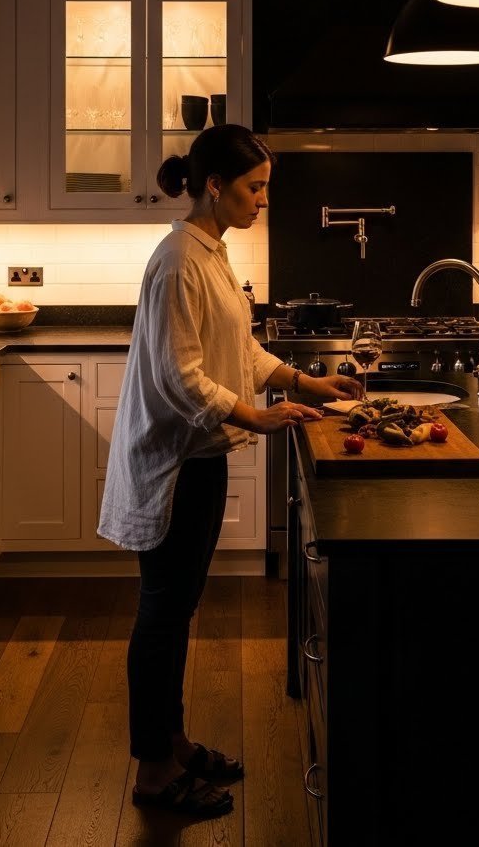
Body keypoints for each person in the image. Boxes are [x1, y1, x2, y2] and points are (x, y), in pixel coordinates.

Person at [98, 123, 362, 819]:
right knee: (162, 613)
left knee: (177, 608)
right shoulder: (177, 261)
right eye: (254, 187)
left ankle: (173, 742)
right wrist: (256, 416)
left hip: (199, 460)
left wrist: (304, 382)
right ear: (214, 185)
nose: (263, 200)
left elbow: (236, 348)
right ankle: (154, 773)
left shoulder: (210, 251)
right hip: (174, 467)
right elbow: (180, 376)